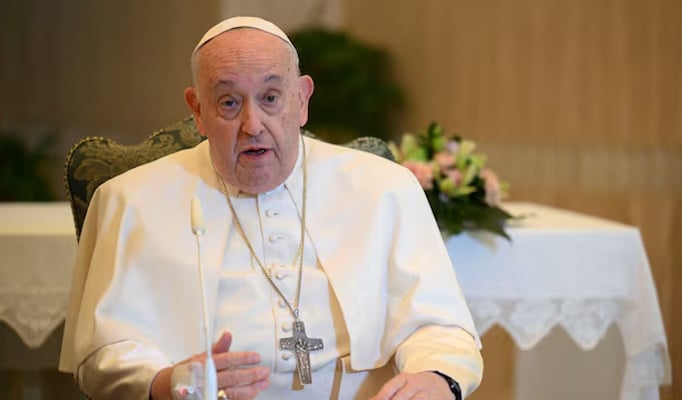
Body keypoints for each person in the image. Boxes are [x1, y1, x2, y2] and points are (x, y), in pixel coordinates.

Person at [59, 16, 483, 400]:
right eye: (228, 102)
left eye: (271, 97)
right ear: (198, 110)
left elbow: (440, 325)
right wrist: (166, 383)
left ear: (301, 99)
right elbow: (103, 354)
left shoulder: (384, 187)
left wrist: (436, 377)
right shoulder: (131, 200)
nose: (252, 124)